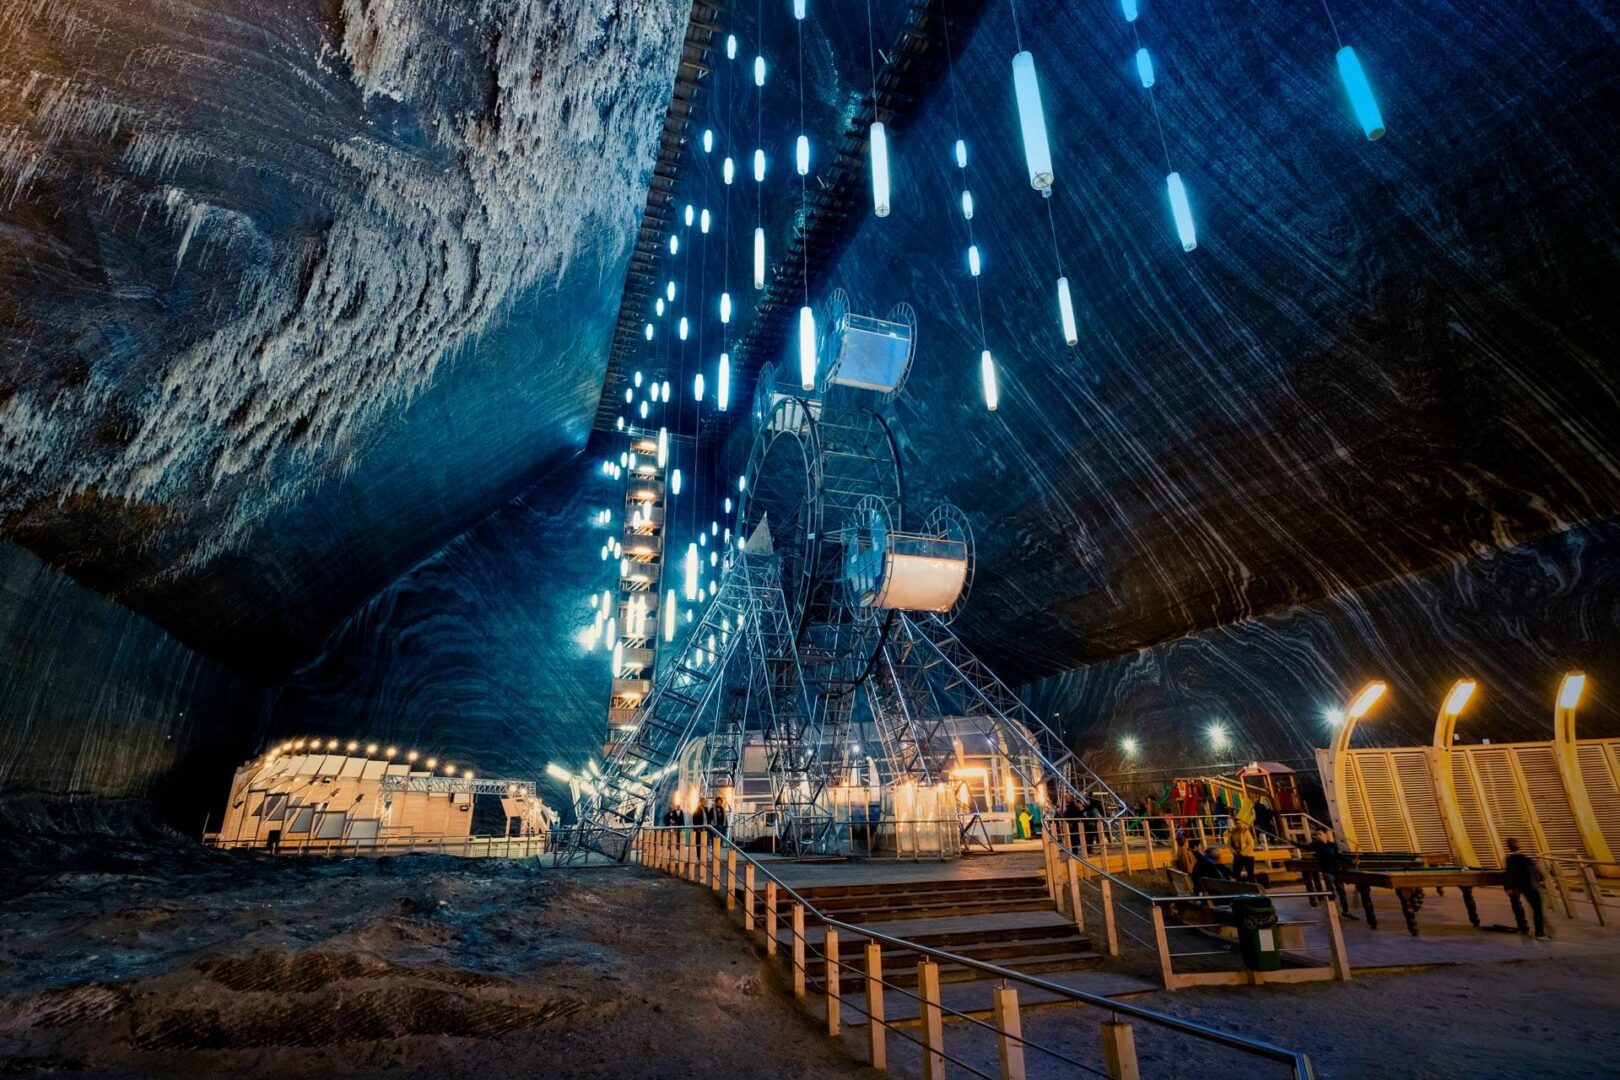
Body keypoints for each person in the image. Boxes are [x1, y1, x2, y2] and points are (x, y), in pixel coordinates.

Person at [1504, 838, 1548, 939]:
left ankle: (1524, 926)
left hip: (1521, 886)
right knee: (1537, 909)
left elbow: (1510, 873)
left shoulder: (1509, 859)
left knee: (1524, 905)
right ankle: (1539, 933)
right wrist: (1541, 879)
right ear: (1518, 845)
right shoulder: (1525, 858)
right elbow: (1537, 872)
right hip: (1531, 886)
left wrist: (1510, 887)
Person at [1304, 828, 1354, 917]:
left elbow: (1338, 856)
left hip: (1336, 870)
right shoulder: (1316, 845)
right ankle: (1333, 913)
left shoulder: (1332, 845)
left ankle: (1346, 911)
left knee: (1341, 891)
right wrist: (1292, 842)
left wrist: (1350, 861)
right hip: (1327, 871)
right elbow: (1304, 847)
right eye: (1317, 835)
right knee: (1331, 892)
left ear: (1325, 834)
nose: (1318, 836)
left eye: (1320, 834)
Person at [1226, 816, 1257, 881]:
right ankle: (1239, 884)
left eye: (1240, 823)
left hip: (1247, 855)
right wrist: (1233, 851)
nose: (1239, 825)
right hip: (1237, 854)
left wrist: (1243, 853)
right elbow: (1229, 844)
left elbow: (1251, 843)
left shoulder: (1245, 831)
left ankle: (1253, 884)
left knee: (1250, 872)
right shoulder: (1232, 832)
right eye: (1237, 823)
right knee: (1236, 872)